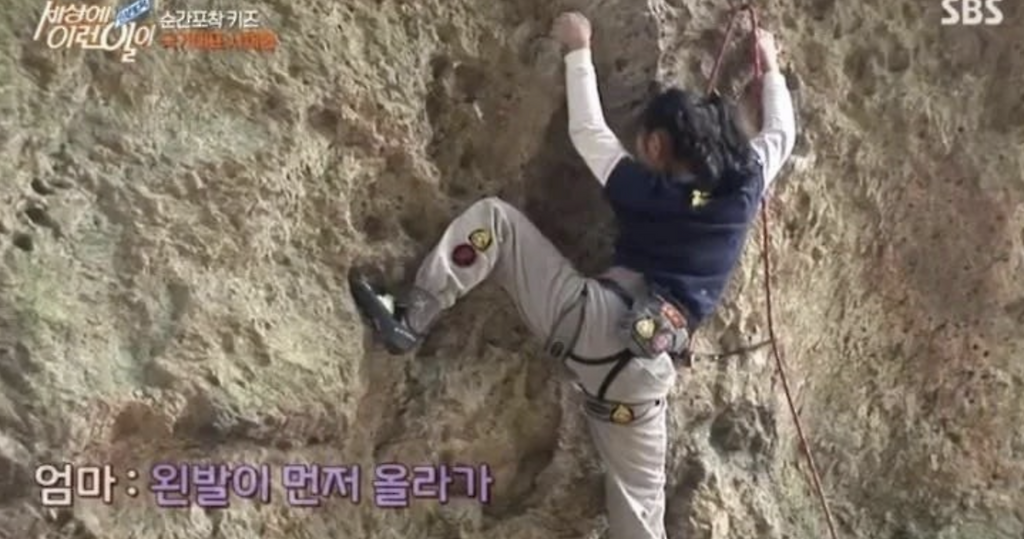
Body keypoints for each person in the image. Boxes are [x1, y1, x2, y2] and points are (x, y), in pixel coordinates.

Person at [349, 10, 795, 539]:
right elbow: (781, 134)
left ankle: (412, 316)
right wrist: (770, 68)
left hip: (585, 324)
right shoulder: (742, 192)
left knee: (495, 224)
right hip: (638, 387)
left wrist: (579, 47)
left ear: (656, 146)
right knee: (640, 518)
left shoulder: (647, 191)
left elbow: (588, 132)